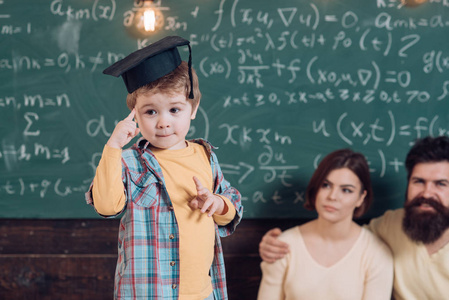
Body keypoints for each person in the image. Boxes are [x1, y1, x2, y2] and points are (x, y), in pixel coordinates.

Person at [85, 36, 243, 300]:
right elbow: (106, 206)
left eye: (174, 109)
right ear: (134, 114)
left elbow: (232, 207)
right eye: (150, 112)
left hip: (204, 292)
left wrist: (218, 204)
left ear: (193, 108)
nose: (163, 123)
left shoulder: (205, 156)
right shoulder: (127, 161)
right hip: (150, 292)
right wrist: (113, 147)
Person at [259, 136, 449, 300]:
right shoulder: (391, 225)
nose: (427, 193)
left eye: (441, 184)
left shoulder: (377, 252)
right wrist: (270, 244)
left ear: (361, 197)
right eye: (419, 182)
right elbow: (346, 237)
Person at [257, 149, 393, 300]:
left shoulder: (376, 254)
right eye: (326, 185)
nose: (332, 196)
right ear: (316, 188)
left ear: (361, 198)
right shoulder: (283, 246)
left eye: (346, 190)